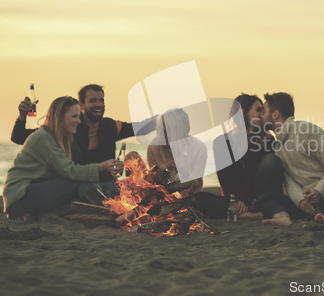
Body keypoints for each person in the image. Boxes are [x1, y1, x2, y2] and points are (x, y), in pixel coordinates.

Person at [11, 84, 155, 193]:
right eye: (93, 100)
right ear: (81, 105)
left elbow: (138, 128)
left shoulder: (110, 126)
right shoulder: (69, 128)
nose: (98, 104)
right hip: (80, 186)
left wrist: (162, 119)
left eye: (101, 100)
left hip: (108, 185)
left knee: (135, 169)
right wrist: (22, 116)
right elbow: (19, 137)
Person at [3, 96, 122, 220]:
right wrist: (101, 167)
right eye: (74, 117)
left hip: (34, 196)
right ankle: (112, 211)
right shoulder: (43, 138)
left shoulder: (62, 139)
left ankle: (110, 210)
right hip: (19, 200)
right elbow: (69, 171)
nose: (79, 121)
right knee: (78, 180)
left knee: (79, 197)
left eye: (79, 117)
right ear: (60, 117)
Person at [260, 92, 324, 222]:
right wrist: (300, 201)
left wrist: (319, 190)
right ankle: (284, 219)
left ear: (275, 114)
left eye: (263, 111)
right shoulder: (277, 145)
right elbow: (289, 180)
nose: (260, 116)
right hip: (308, 205)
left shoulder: (305, 130)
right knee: (267, 196)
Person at [195, 94, 291, 224]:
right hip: (234, 201)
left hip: (259, 198)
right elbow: (224, 179)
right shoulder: (222, 142)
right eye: (258, 110)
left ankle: (246, 211)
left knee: (270, 160)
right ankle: (242, 214)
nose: (262, 114)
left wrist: (244, 200)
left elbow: (255, 174)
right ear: (243, 112)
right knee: (198, 198)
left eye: (263, 110)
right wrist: (235, 201)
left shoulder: (267, 139)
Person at [147, 108, 207, 195]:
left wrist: (186, 174)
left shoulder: (198, 148)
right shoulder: (154, 147)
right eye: (161, 131)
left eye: (168, 131)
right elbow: (151, 184)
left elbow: (197, 187)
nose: (164, 136)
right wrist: (161, 171)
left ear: (182, 131)